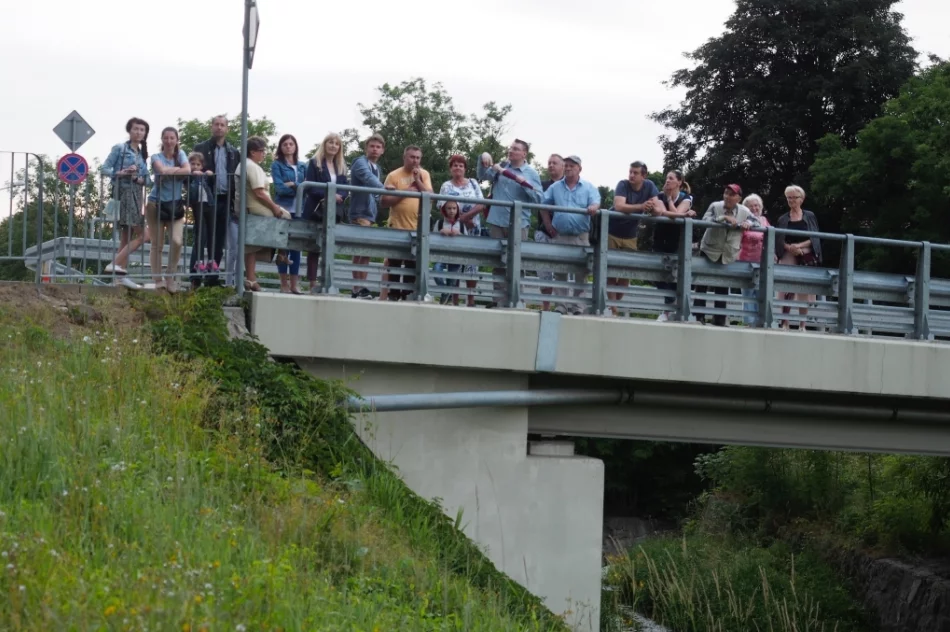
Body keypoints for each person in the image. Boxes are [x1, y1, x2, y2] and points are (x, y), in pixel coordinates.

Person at [477, 139, 543, 308]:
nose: (511, 150)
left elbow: (538, 199)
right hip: (497, 222)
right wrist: (483, 157)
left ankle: (517, 301)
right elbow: (482, 175)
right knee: (498, 263)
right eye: (511, 147)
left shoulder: (531, 173)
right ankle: (498, 301)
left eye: (516, 148)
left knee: (516, 264)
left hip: (519, 224)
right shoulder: (501, 166)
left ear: (524, 153)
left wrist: (520, 181)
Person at [542, 155, 600, 315]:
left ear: (579, 169)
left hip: (580, 236)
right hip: (560, 235)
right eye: (566, 165)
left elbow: (596, 201)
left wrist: (594, 207)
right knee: (559, 271)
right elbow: (542, 204)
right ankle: (561, 306)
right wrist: (548, 225)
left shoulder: (588, 187)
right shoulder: (555, 187)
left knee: (581, 272)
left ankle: (578, 307)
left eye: (572, 166)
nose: (568, 168)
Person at [695, 184, 760, 326]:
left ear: (739, 198)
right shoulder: (715, 206)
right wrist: (723, 218)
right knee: (702, 283)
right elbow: (704, 221)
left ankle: (719, 319)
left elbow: (757, 221)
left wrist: (747, 223)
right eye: (726, 193)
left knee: (723, 286)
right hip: (710, 250)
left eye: (731, 194)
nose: (727, 197)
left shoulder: (744, 210)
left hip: (728, 253)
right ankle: (698, 316)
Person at [237, 136, 292, 291]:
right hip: (256, 206)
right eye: (261, 151)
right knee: (285, 217)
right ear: (253, 152)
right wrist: (274, 207)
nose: (263, 154)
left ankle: (251, 279)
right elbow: (259, 192)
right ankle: (281, 254)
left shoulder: (245, 164)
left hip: (249, 207)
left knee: (251, 247)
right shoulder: (252, 166)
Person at [102, 117, 151, 289]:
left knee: (126, 236)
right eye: (136, 129)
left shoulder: (141, 154)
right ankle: (114, 264)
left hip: (137, 195)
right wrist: (121, 172)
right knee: (145, 235)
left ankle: (119, 277)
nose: (138, 132)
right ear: (129, 131)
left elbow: (148, 181)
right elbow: (104, 169)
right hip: (123, 194)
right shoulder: (120, 148)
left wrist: (138, 178)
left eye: (142, 130)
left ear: (145, 134)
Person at [380, 145, 432, 301]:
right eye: (412, 157)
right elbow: (384, 202)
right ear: (405, 157)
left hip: (417, 228)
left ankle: (408, 296)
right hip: (396, 227)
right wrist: (407, 192)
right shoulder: (393, 175)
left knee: (412, 266)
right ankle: (393, 296)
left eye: (417, 158)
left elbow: (430, 196)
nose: (415, 160)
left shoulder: (424, 174)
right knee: (394, 264)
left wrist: (418, 181)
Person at [193, 116, 239, 287]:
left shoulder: (233, 152)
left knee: (219, 240)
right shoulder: (201, 148)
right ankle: (195, 277)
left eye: (222, 125)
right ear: (211, 127)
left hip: (225, 199)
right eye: (216, 124)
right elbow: (193, 169)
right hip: (205, 198)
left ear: (227, 128)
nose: (219, 127)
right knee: (201, 237)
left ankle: (212, 277)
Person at [302, 132, 350, 294]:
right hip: (317, 209)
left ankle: (328, 282)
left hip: (334, 210)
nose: (333, 146)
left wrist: (340, 196)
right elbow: (309, 186)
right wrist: (328, 194)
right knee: (314, 247)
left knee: (329, 246)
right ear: (325, 144)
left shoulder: (342, 166)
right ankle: (312, 284)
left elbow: (345, 188)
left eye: (337, 143)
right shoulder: (314, 163)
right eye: (330, 142)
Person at [608, 161, 659, 311]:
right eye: (630, 172)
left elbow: (658, 208)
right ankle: (613, 308)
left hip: (631, 235)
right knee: (610, 271)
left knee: (626, 275)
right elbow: (619, 206)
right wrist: (642, 206)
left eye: (635, 173)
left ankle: (613, 306)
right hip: (612, 231)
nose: (631, 175)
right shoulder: (622, 184)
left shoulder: (649, 186)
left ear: (644, 176)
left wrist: (652, 208)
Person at [437, 154, 486, 307]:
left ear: (465, 168)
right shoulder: (446, 186)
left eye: (461, 165)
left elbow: (482, 204)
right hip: (453, 229)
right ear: (450, 168)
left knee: (472, 265)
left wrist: (466, 217)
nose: (457, 167)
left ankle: (470, 301)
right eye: (454, 165)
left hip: (472, 229)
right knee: (455, 263)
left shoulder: (473, 183)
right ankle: (454, 300)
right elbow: (441, 206)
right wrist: (459, 219)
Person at [146, 128, 191, 292]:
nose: (169, 141)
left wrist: (169, 171)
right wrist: (175, 171)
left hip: (176, 205)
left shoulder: (181, 155)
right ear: (162, 140)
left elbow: (188, 170)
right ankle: (158, 279)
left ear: (176, 140)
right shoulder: (156, 157)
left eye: (172, 138)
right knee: (157, 244)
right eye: (166, 138)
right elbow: (161, 170)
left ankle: (170, 276)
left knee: (177, 241)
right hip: (155, 204)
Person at [775, 185, 822, 331]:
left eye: (794, 197)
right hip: (788, 251)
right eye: (788, 197)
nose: (791, 200)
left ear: (801, 199)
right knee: (786, 287)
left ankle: (803, 324)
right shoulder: (783, 218)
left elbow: (814, 237)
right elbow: (778, 238)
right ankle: (785, 322)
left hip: (805, 252)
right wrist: (790, 247)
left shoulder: (810, 216)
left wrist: (799, 246)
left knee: (804, 289)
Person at [650, 170, 695, 321]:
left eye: (671, 178)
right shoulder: (659, 195)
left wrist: (670, 201)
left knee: (675, 276)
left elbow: (673, 216)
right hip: (659, 240)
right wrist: (683, 215)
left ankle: (671, 310)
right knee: (655, 273)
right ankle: (670, 303)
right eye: (666, 178)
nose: (667, 181)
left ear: (679, 182)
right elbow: (663, 213)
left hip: (678, 241)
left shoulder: (686, 197)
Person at [346, 134, 386, 299]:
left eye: (378, 147)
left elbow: (376, 194)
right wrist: (384, 189)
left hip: (370, 214)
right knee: (359, 250)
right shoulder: (359, 162)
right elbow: (368, 179)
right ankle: (357, 288)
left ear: (382, 150)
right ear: (366, 148)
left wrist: (381, 198)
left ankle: (362, 287)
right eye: (372, 146)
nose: (375, 149)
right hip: (359, 212)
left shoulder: (378, 168)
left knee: (366, 252)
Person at [271, 134, 306, 294]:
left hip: (300, 209)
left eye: (291, 143)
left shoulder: (302, 166)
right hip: (283, 209)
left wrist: (294, 185)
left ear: (295, 146)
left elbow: (307, 188)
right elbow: (279, 187)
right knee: (282, 247)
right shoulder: (277, 165)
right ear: (281, 147)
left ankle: (294, 284)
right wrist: (297, 189)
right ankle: (283, 284)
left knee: (296, 247)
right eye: (285, 144)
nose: (288, 146)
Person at [535, 153, 564, 310]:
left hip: (564, 234)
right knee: (544, 271)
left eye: (554, 163)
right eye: (549, 162)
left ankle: (562, 305)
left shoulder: (568, 185)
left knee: (562, 272)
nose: (551, 165)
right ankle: (545, 305)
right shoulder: (542, 185)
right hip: (544, 232)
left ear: (562, 166)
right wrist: (548, 227)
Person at [738, 194, 771, 325]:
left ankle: (760, 322)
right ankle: (748, 323)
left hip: (762, 263)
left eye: (756, 205)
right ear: (746, 209)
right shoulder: (743, 220)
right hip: (746, 262)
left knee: (761, 293)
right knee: (747, 292)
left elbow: (770, 238)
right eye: (751, 206)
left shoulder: (764, 220)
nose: (755, 208)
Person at [431, 199, 470, 305]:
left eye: (454, 208)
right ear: (444, 209)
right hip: (442, 255)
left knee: (452, 280)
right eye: (449, 208)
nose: (452, 211)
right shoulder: (439, 223)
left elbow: (468, 241)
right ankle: (445, 291)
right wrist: (440, 232)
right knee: (436, 270)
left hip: (456, 256)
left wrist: (459, 235)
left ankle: (446, 300)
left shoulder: (461, 225)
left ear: (457, 210)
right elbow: (432, 239)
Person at [186, 152, 215, 284]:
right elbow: (189, 187)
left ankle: (210, 261)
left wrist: (208, 173)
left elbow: (210, 178)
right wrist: (193, 175)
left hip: (208, 203)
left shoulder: (204, 176)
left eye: (198, 164)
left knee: (211, 232)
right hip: (197, 204)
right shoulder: (190, 176)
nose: (196, 167)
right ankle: (198, 261)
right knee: (200, 232)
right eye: (193, 164)